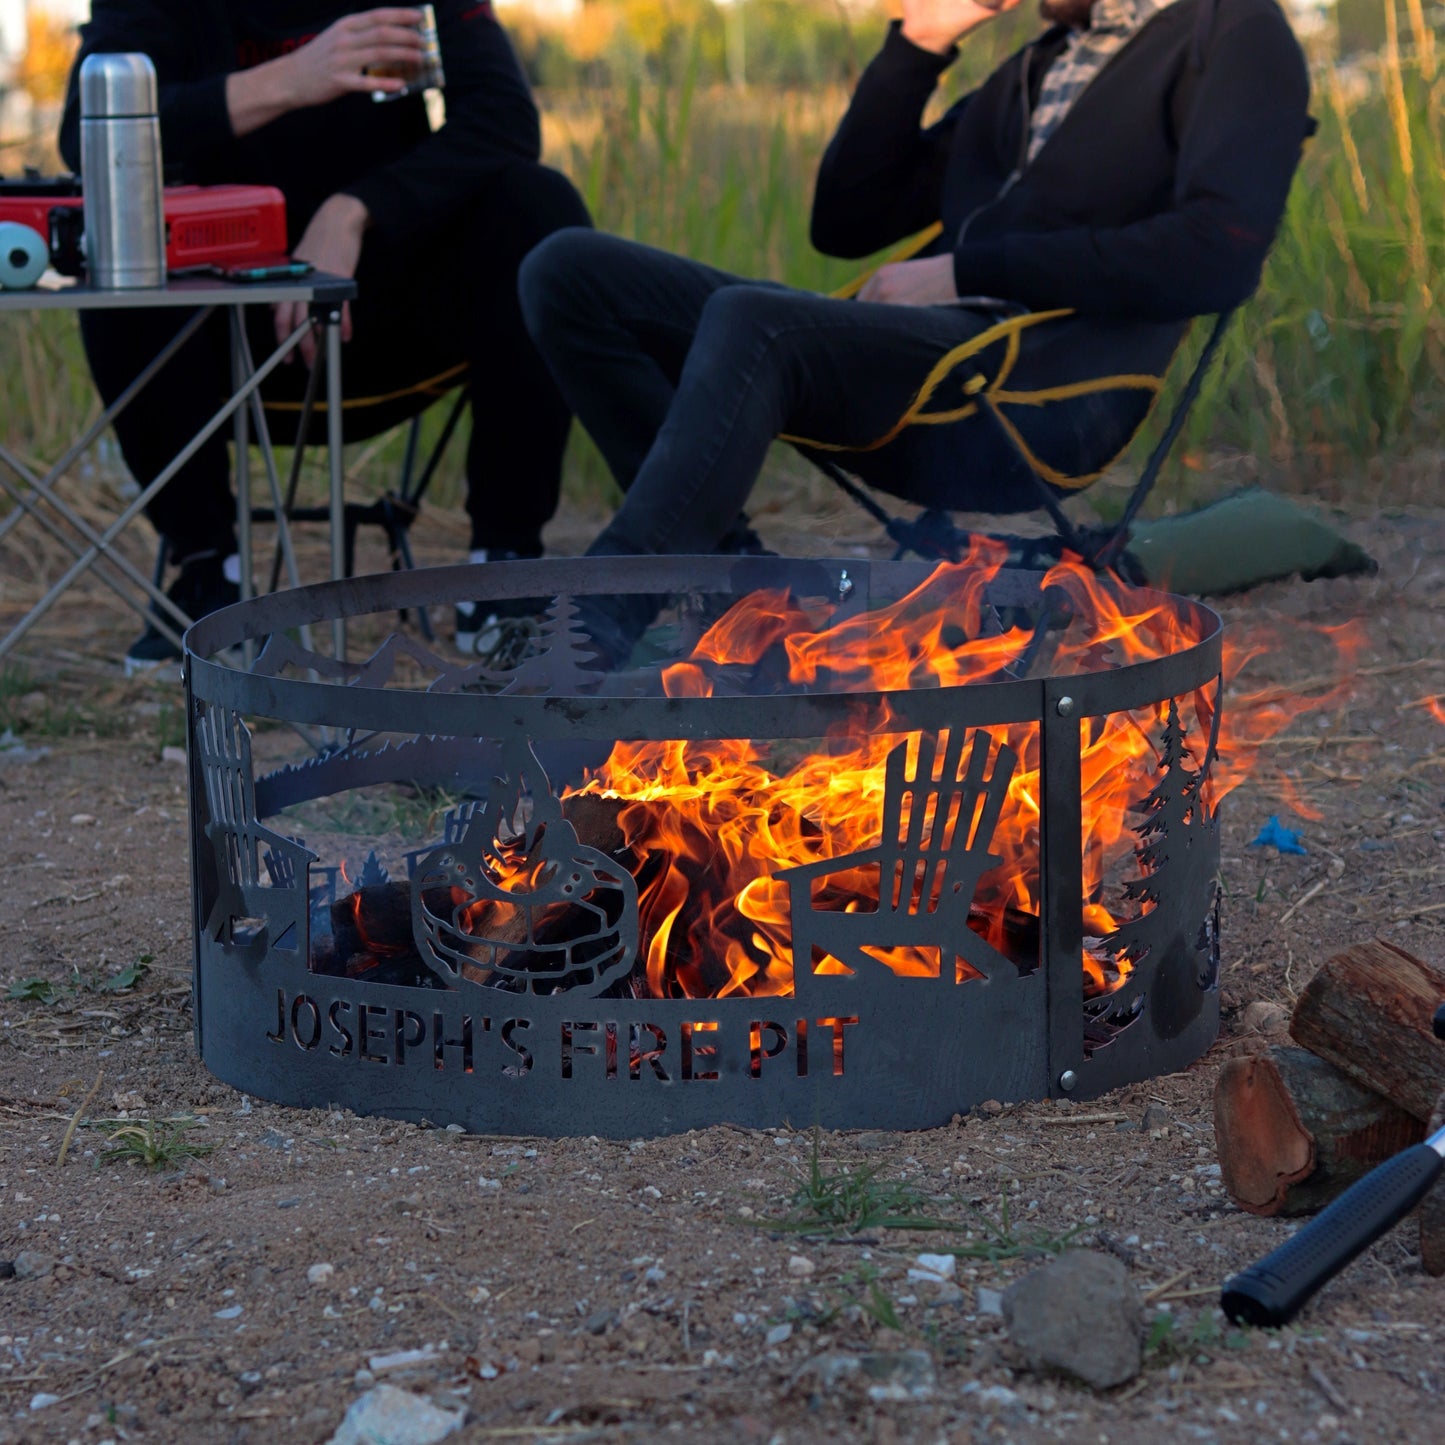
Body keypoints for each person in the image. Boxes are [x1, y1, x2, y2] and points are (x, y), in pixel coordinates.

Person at [518, 0, 1312, 668]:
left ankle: (592, 629)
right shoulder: (1037, 66)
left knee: (752, 320)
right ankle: (740, 601)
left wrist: (969, 272)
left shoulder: (1231, 32)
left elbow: (1218, 254)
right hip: (919, 360)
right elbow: (846, 219)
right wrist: (919, 42)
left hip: (1030, 393)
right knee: (569, 270)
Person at [59, 1, 592, 672]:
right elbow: (84, 133)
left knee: (539, 206)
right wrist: (293, 79)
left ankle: (504, 571)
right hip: (214, 334)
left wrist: (356, 211)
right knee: (114, 229)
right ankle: (206, 571)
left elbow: (505, 117)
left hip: (381, 312)